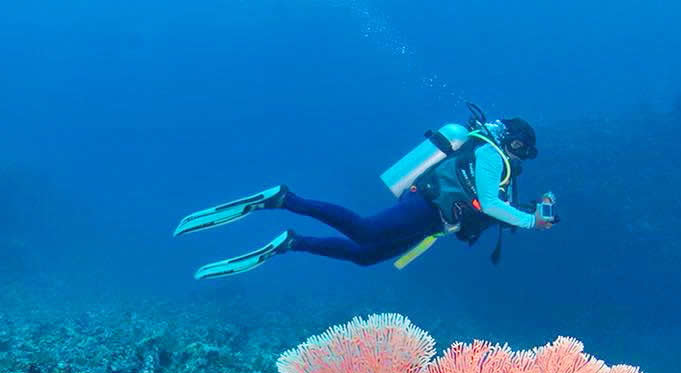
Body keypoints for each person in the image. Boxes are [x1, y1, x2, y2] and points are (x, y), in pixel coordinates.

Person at [174, 103, 557, 280]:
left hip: (432, 221)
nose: (520, 156)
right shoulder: (489, 154)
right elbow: (489, 202)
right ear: (511, 140)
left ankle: (292, 243)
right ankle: (284, 199)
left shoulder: (493, 162)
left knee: (365, 257)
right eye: (521, 148)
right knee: (366, 232)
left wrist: (531, 211)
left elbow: (487, 207)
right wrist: (528, 221)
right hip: (426, 206)